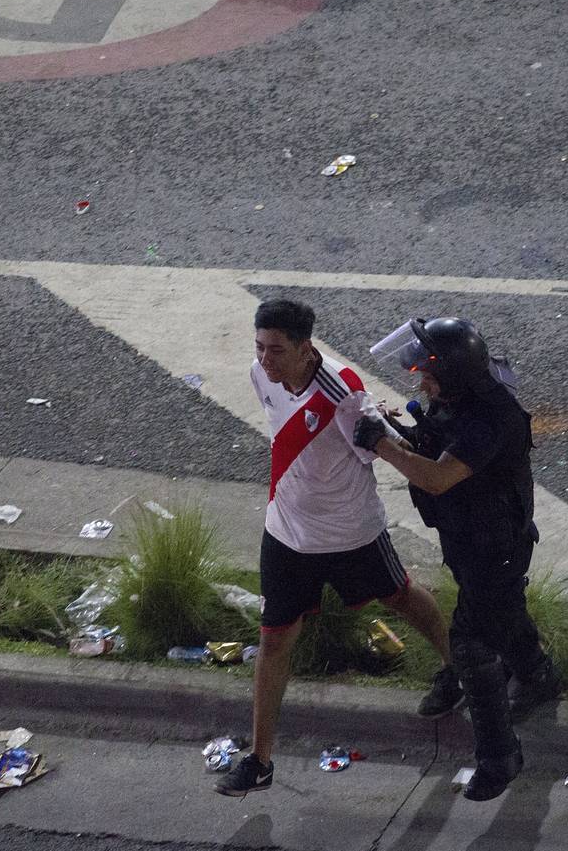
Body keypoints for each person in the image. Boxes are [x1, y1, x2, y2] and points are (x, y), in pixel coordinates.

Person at [214, 299, 459, 798]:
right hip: (286, 534)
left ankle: (460, 669)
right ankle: (260, 761)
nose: (265, 361)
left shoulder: (345, 394)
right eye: (259, 347)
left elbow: (397, 452)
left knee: (402, 597)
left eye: (276, 350)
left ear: (307, 349)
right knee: (275, 638)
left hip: (352, 535)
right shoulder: (261, 376)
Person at [352, 317, 563, 802]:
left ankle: (499, 757)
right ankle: (537, 675)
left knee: (470, 645)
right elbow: (433, 450)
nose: (419, 381)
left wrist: (382, 446)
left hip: (497, 548)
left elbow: (438, 478)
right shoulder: (453, 400)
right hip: (470, 541)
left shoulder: (491, 416)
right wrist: (396, 433)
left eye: (427, 373)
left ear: (455, 372)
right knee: (504, 611)